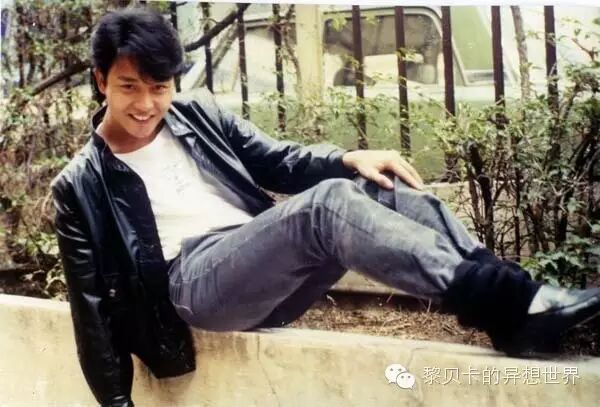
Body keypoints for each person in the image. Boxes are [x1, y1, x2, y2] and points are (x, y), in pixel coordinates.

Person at [51, 7, 600, 407]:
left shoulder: (196, 115)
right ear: (101, 81)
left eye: (159, 87)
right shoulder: (80, 183)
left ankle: (516, 310)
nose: (146, 104)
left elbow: (276, 159)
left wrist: (348, 157)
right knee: (327, 204)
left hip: (260, 269)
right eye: (129, 87)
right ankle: (509, 303)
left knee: (379, 184)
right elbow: (90, 310)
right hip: (194, 286)